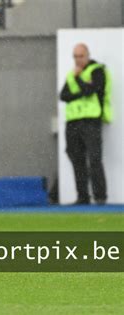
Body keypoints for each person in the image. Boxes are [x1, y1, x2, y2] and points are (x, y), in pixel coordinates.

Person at [59, 43, 112, 205]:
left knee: (94, 159)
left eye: (80, 56)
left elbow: (92, 91)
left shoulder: (97, 70)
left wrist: (78, 80)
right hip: (73, 122)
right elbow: (63, 95)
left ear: (87, 55)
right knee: (76, 158)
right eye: (75, 56)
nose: (77, 60)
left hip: (91, 121)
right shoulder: (71, 74)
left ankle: (100, 196)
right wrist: (82, 87)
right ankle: (83, 196)